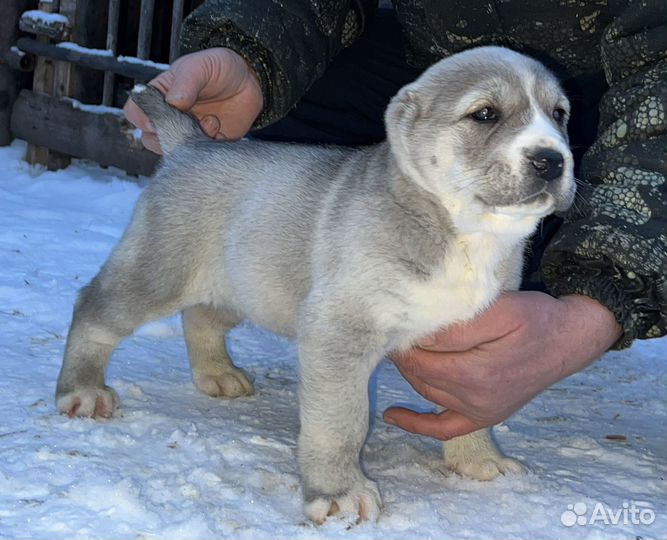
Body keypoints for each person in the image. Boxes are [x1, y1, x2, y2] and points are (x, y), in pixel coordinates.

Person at [124, 0, 666, 442]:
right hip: (428, 65)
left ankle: (525, 295)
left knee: (504, 263)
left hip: (616, 88)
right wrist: (250, 54)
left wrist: (600, 302)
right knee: (289, 149)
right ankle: (266, 288)